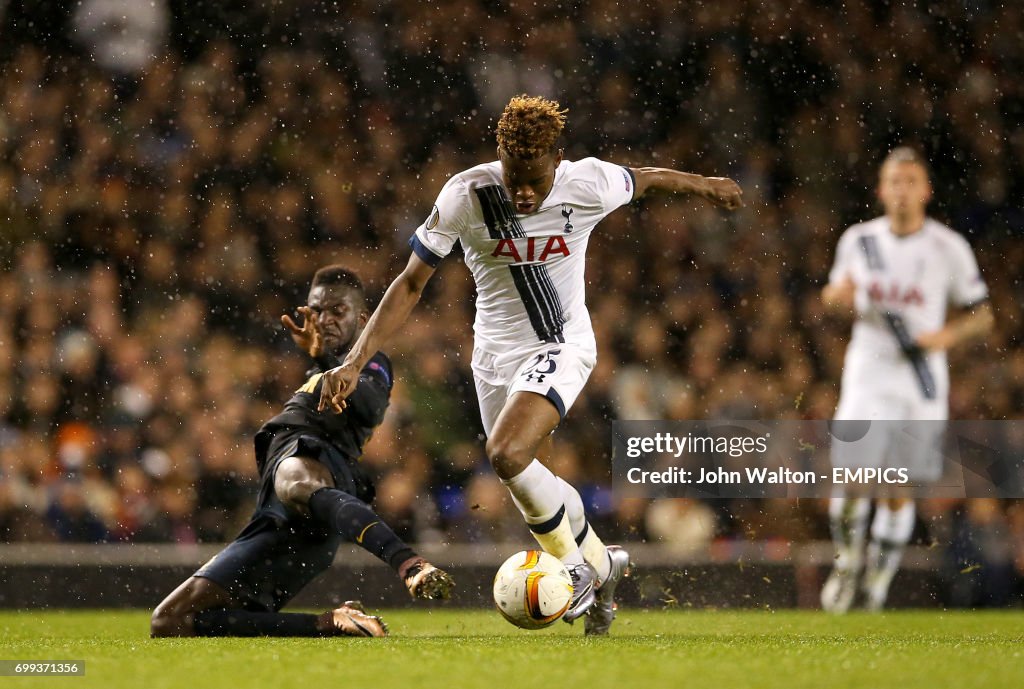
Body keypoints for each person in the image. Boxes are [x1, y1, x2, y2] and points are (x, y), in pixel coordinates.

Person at [317, 95, 743, 635]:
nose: (522, 191)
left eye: (534, 181)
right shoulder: (466, 194)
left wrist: (710, 185)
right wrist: (355, 359)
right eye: (514, 176)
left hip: (561, 343)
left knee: (507, 453)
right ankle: (604, 563)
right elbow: (410, 282)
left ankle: (575, 571)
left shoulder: (586, 182)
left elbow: (648, 178)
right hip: (493, 358)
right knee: (524, 482)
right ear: (501, 157)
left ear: (555, 161)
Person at [151, 265, 454, 638]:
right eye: (317, 310)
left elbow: (372, 404)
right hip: (279, 519)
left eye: (336, 311)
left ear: (362, 319)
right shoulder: (322, 366)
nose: (324, 320)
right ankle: (332, 623)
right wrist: (321, 358)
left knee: (295, 481)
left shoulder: (372, 359)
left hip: (315, 469)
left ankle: (407, 562)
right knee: (171, 620)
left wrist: (329, 361)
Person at [820, 146, 994, 613]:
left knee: (897, 489)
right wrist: (839, 296)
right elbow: (834, 297)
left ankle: (877, 582)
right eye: (893, 182)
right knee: (852, 479)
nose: (901, 190)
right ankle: (847, 561)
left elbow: (983, 315)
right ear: (881, 190)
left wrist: (946, 335)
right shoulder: (860, 241)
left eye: (910, 181)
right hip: (868, 374)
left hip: (920, 381)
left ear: (926, 191)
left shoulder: (948, 247)